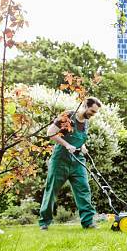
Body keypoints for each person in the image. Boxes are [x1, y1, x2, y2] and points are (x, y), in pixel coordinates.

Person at [38, 97, 102, 230]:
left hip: (78, 161)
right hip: (61, 159)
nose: (93, 114)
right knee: (51, 191)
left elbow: (80, 138)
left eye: (95, 113)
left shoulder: (85, 122)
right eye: (92, 111)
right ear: (84, 105)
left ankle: (88, 222)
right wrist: (67, 144)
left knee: (84, 189)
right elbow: (50, 132)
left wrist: (83, 146)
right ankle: (44, 223)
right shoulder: (68, 116)